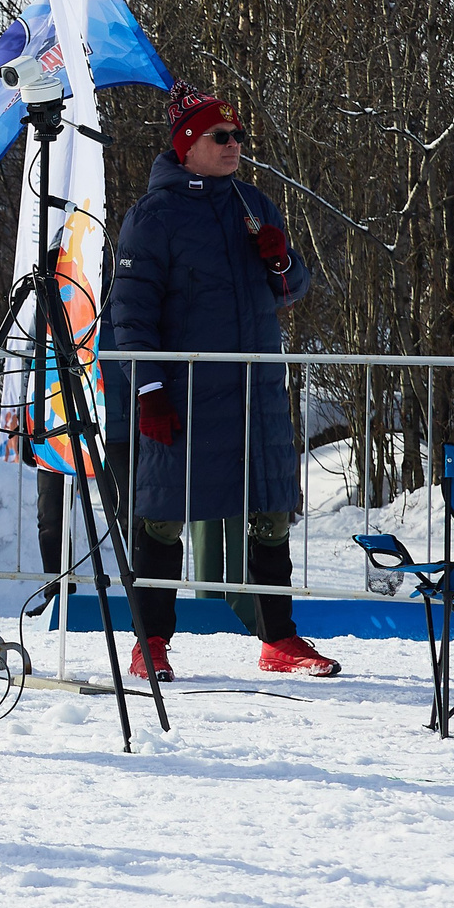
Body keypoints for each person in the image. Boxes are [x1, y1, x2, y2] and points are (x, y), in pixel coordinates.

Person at [103, 83, 341, 681]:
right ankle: (150, 642)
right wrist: (149, 389)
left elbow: (291, 290)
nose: (235, 145)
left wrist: (281, 260)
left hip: (254, 392)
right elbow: (128, 316)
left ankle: (279, 640)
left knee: (270, 511)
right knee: (162, 514)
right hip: (183, 397)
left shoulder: (252, 203)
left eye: (238, 136)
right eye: (222, 137)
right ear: (187, 145)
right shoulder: (151, 218)